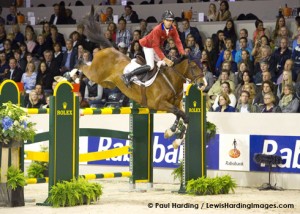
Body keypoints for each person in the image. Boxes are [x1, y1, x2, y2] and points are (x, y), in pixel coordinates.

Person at [121, 10, 186, 87]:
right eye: (167, 20)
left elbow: (177, 41)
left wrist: (182, 52)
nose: (169, 22)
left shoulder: (173, 28)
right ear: (163, 20)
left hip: (157, 46)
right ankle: (128, 75)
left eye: (171, 20)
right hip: (148, 45)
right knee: (151, 66)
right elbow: (155, 46)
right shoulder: (157, 29)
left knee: (163, 64)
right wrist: (165, 59)